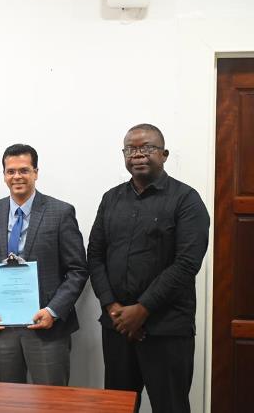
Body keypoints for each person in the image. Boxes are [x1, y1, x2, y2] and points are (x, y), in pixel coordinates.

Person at [88, 124, 210, 413]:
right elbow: (94, 255)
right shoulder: (111, 199)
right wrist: (112, 306)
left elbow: (186, 264)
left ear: (164, 154)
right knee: (117, 407)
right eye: (131, 149)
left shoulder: (186, 200)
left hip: (166, 329)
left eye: (147, 148)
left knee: (170, 407)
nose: (138, 154)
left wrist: (141, 310)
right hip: (117, 326)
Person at [0, 144, 88, 385]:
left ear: (36, 172)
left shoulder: (60, 212)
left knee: (51, 402)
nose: (17, 177)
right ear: (4, 175)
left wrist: (53, 311)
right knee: (8, 402)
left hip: (47, 327)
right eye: (10, 171)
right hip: (2, 326)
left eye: (24, 170)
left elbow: (77, 270)